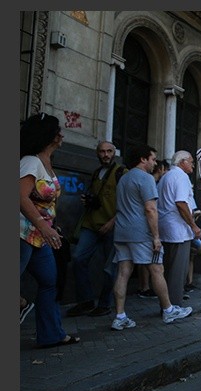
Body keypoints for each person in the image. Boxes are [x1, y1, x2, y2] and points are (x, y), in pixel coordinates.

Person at [111, 144, 193, 330]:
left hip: (122, 232)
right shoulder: (146, 178)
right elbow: (150, 209)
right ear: (143, 159)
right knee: (157, 270)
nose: (155, 163)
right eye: (153, 159)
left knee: (123, 273)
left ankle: (120, 315)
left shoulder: (124, 178)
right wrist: (156, 237)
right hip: (141, 233)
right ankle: (168, 309)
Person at [19, 112, 81, 348]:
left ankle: (51, 335)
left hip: (40, 236)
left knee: (49, 282)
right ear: (49, 135)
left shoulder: (46, 162)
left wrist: (51, 226)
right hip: (22, 232)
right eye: (58, 131)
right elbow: (20, 197)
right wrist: (43, 226)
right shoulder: (30, 162)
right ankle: (22, 304)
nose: (62, 134)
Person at [66, 140, 127, 318]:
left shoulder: (122, 173)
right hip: (91, 224)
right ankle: (85, 301)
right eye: (102, 151)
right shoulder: (95, 173)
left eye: (109, 151)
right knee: (78, 258)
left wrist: (112, 222)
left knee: (110, 268)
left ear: (114, 153)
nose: (105, 155)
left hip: (113, 226)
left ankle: (104, 304)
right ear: (97, 153)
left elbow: (128, 203)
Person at [157, 150, 201, 306]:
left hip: (166, 228)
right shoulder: (181, 177)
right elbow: (181, 203)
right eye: (191, 162)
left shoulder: (166, 176)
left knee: (169, 269)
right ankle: (174, 305)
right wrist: (193, 226)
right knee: (178, 271)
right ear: (183, 162)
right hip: (178, 231)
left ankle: (167, 305)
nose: (193, 165)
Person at [137, 158, 169, 298]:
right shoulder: (149, 181)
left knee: (125, 269)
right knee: (155, 266)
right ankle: (166, 305)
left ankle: (144, 287)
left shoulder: (127, 178)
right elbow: (151, 209)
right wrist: (156, 237)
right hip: (147, 227)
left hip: (131, 228)